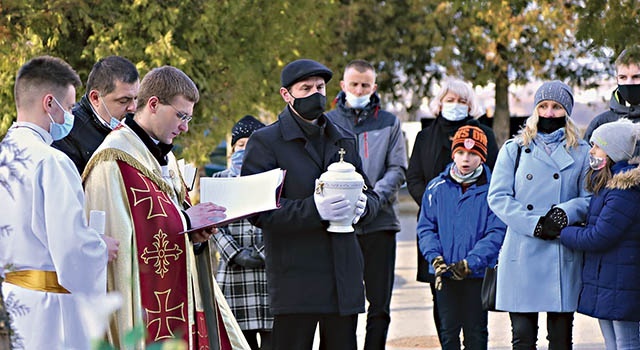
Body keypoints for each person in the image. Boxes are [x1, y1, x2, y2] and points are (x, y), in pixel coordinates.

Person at [82, 66, 249, 349]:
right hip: (140, 304)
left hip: (176, 297)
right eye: (181, 115)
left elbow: (175, 219)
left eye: (189, 118)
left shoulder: (164, 159)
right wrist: (183, 221)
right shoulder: (112, 159)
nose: (184, 126)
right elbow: (118, 241)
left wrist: (194, 233)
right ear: (154, 104)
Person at [241, 58, 380, 350]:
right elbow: (257, 209)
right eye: (306, 88)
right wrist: (314, 209)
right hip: (296, 277)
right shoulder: (266, 142)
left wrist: (364, 207)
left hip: (342, 274)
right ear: (286, 94)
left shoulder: (343, 139)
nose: (315, 94)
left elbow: (371, 193)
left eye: (319, 87)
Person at [0, 56, 118, 349]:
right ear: (49, 103)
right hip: (50, 308)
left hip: (13, 298)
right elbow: (71, 248)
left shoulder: (4, 154)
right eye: (68, 107)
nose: (70, 115)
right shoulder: (51, 162)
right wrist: (101, 246)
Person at [487, 80, 591, 349]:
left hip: (560, 248)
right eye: (543, 106)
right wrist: (535, 225)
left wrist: (563, 213)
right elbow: (498, 197)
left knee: (560, 340)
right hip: (522, 249)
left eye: (556, 107)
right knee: (522, 338)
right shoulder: (515, 148)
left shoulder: (582, 152)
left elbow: (589, 198)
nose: (548, 112)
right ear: (535, 109)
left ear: (566, 112)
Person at [405, 78, 498, 341]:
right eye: (450, 100)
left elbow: (496, 181)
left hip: (476, 236)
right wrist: (436, 205)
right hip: (439, 232)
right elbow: (414, 178)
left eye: (461, 101)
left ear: (470, 106)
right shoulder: (425, 136)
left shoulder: (485, 135)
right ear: (439, 103)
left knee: (475, 322)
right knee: (444, 315)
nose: (455, 105)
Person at [326, 59, 407, 349]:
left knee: (379, 302)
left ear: (374, 87)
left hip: (380, 222)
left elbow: (397, 168)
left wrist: (372, 199)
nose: (359, 89)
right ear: (343, 86)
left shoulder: (389, 122)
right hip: (340, 224)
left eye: (365, 85)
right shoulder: (328, 122)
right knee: (344, 301)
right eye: (354, 84)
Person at [417, 125, 506, 349]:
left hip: (475, 275)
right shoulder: (436, 187)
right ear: (453, 154)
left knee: (476, 332)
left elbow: (496, 232)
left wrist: (471, 262)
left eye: (473, 154)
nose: (465, 159)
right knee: (448, 332)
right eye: (461, 153)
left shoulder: (493, 190)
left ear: (482, 157)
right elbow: (426, 228)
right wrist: (435, 258)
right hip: (444, 273)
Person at [561, 118, 640, 350]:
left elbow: (599, 236)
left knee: (626, 343)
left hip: (622, 281)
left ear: (613, 151)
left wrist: (563, 233)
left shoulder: (624, 192)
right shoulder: (608, 186)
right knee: (612, 343)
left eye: (596, 145)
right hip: (609, 279)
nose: (591, 151)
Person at [212, 114, 273, 349]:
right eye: (241, 144)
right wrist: (236, 254)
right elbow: (214, 227)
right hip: (234, 275)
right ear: (232, 148)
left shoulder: (273, 180)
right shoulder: (219, 180)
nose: (245, 149)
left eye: (252, 144)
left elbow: (280, 219)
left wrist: (262, 252)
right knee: (238, 343)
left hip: (269, 274)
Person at [53, 55, 139, 174]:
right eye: (123, 101)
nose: (133, 108)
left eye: (136, 98)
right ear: (95, 98)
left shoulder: (132, 127)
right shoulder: (67, 135)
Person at [583, 45, 640, 142]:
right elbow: (587, 156)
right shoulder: (601, 124)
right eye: (623, 77)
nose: (629, 83)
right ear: (617, 79)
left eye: (636, 77)